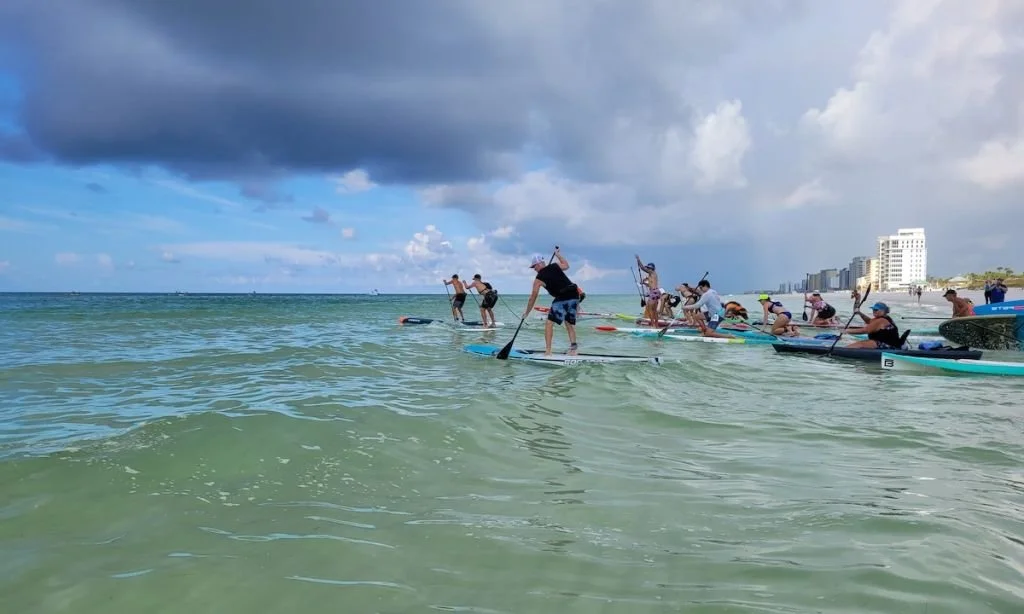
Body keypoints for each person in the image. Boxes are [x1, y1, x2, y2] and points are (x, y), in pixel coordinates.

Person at [522, 248, 580, 355]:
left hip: (562, 297)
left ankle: (548, 351)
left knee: (549, 324)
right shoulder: (554, 266)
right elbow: (566, 265)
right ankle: (574, 349)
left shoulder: (539, 278)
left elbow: (532, 297)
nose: (534, 269)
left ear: (539, 263)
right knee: (568, 323)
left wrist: (526, 313)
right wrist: (558, 255)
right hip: (574, 295)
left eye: (534, 266)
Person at [635, 255, 661, 327]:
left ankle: (654, 325)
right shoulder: (652, 275)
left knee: (650, 309)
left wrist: (638, 260)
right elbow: (651, 285)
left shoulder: (652, 272)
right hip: (655, 292)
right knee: (653, 310)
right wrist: (644, 283)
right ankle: (655, 324)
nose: (647, 269)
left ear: (651, 268)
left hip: (654, 292)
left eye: (648, 268)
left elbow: (642, 268)